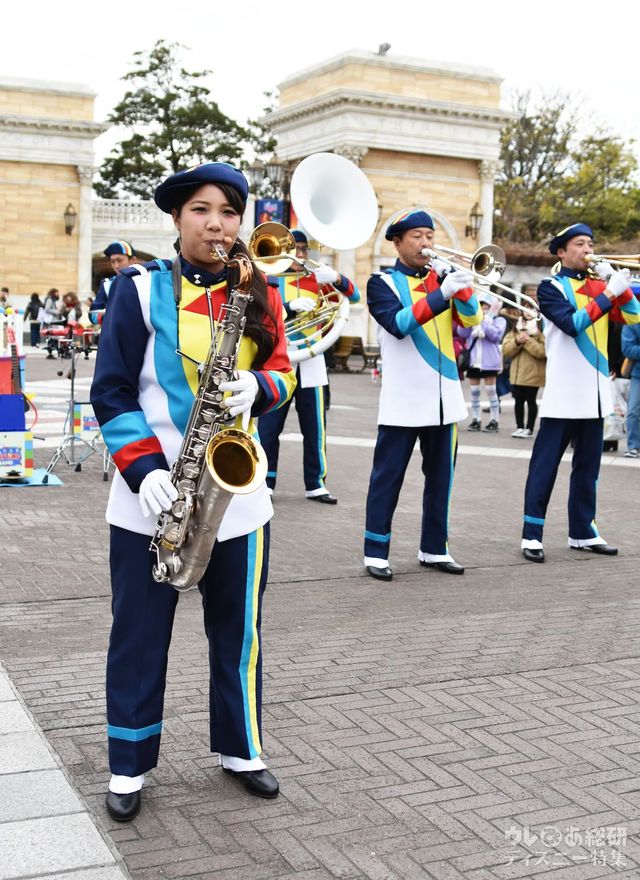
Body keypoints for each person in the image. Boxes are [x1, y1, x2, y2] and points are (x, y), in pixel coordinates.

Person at [90, 162, 297, 822]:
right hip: (149, 494)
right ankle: (128, 762)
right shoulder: (138, 288)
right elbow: (113, 388)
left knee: (238, 633)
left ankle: (241, 750)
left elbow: (283, 370)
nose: (217, 223)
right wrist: (143, 469)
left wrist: (258, 389)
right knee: (139, 636)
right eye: (202, 210)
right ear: (178, 218)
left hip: (237, 496)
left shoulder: (258, 289)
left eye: (229, 212)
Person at [363, 209, 481, 580]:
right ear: (397, 243)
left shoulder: (441, 277)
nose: (426, 243)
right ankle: (375, 550)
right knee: (388, 478)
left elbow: (474, 321)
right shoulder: (381, 282)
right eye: (416, 236)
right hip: (403, 400)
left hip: (446, 399)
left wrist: (461, 290)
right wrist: (440, 293)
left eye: (429, 235)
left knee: (441, 481)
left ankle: (434, 548)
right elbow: (398, 325)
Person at [520, 223, 640, 563]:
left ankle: (583, 531)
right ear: (561, 251)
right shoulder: (550, 286)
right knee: (545, 468)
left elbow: (635, 317)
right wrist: (608, 293)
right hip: (564, 394)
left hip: (596, 393)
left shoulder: (600, 286)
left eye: (590, 243)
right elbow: (572, 325)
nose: (587, 249)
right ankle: (531, 533)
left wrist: (621, 289)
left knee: (589, 470)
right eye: (579, 244)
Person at [258, 229, 360, 504]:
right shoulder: (270, 279)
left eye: (303, 249)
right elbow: (259, 312)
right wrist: (289, 306)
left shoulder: (315, 280)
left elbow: (355, 296)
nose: (300, 255)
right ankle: (266, 481)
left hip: (312, 358)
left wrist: (338, 278)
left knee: (315, 426)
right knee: (269, 426)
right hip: (279, 358)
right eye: (295, 249)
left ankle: (316, 483)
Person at [457, 293, 507, 433]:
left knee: (491, 392)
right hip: (474, 361)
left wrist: (484, 321)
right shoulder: (473, 319)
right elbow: (461, 333)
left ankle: (494, 420)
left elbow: (496, 336)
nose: (483, 307)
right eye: (480, 304)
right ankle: (476, 419)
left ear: (491, 306)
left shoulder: (499, 320)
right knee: (474, 393)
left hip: (490, 362)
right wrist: (470, 318)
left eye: (486, 304)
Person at [502, 295, 546, 437]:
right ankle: (519, 427)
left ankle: (529, 428)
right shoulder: (516, 328)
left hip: (533, 373)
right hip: (517, 373)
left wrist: (527, 341)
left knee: (531, 401)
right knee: (518, 401)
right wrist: (517, 341)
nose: (528, 311)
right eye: (526, 308)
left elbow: (543, 352)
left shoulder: (540, 329)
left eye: (532, 308)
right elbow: (506, 350)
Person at [89, 241, 137, 325]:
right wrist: (108, 316)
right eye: (112, 262)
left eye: (120, 260)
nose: (116, 266)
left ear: (133, 260)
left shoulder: (145, 281)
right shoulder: (107, 285)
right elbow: (93, 314)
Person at [621, 317, 640, 457]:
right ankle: (633, 446)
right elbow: (627, 349)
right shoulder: (632, 320)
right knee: (633, 411)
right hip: (638, 374)